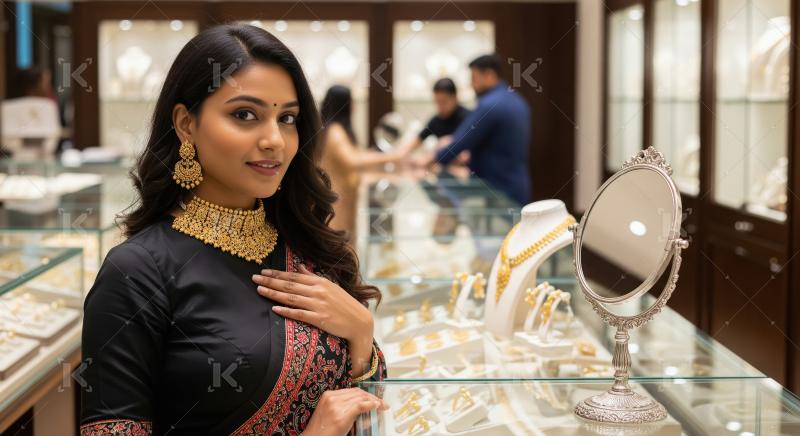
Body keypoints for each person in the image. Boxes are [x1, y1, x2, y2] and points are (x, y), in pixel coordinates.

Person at [79, 24, 388, 435]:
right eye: (245, 115)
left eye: (288, 118)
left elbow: (371, 407)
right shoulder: (137, 273)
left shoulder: (309, 246)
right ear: (186, 124)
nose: (275, 140)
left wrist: (362, 332)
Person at [416, 54, 532, 205]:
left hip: (498, 190)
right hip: (517, 186)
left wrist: (432, 159)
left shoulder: (489, 105)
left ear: (489, 75)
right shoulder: (518, 101)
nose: (471, 85)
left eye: (474, 78)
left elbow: (459, 143)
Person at [319, 85, 404, 236]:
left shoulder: (338, 131)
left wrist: (384, 155)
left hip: (345, 200)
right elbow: (353, 161)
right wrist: (393, 156)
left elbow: (358, 155)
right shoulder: (335, 132)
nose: (355, 105)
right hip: (337, 204)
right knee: (340, 246)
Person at [397, 78, 470, 157]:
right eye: (437, 102)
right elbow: (411, 146)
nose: (440, 107)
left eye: (444, 102)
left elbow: (468, 152)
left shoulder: (469, 118)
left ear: (455, 97)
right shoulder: (436, 121)